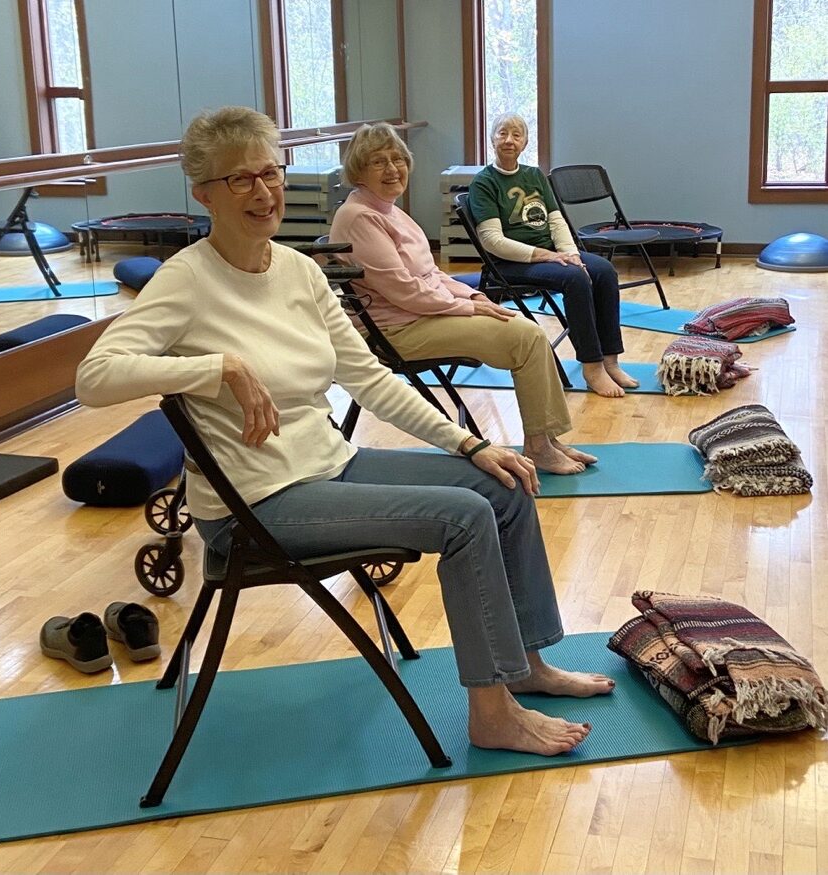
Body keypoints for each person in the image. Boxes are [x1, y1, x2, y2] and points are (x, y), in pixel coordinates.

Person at [76, 106, 614, 756]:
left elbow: (372, 379)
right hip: (256, 505)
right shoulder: (186, 279)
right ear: (204, 192)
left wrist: (469, 442)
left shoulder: (298, 270)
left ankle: (523, 664)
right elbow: (93, 377)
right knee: (464, 518)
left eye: (269, 172)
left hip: (327, 466)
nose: (263, 190)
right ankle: (491, 712)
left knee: (499, 482)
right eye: (240, 179)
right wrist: (218, 366)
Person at [330, 122, 595, 477]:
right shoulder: (360, 217)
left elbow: (431, 273)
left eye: (397, 159)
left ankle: (546, 440)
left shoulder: (389, 209)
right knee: (526, 336)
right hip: (394, 331)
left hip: (419, 315)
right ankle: (539, 446)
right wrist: (467, 307)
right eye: (379, 162)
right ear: (358, 171)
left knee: (523, 328)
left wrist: (473, 295)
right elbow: (404, 290)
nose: (393, 169)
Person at [469, 113, 637, 398]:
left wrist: (570, 254)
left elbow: (557, 221)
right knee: (575, 279)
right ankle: (592, 366)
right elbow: (492, 242)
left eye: (517, 135)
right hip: (511, 263)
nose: (509, 140)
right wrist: (548, 257)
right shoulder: (484, 183)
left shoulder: (534, 175)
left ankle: (611, 361)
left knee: (604, 271)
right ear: (492, 139)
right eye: (502, 133)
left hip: (550, 255)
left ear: (525, 142)